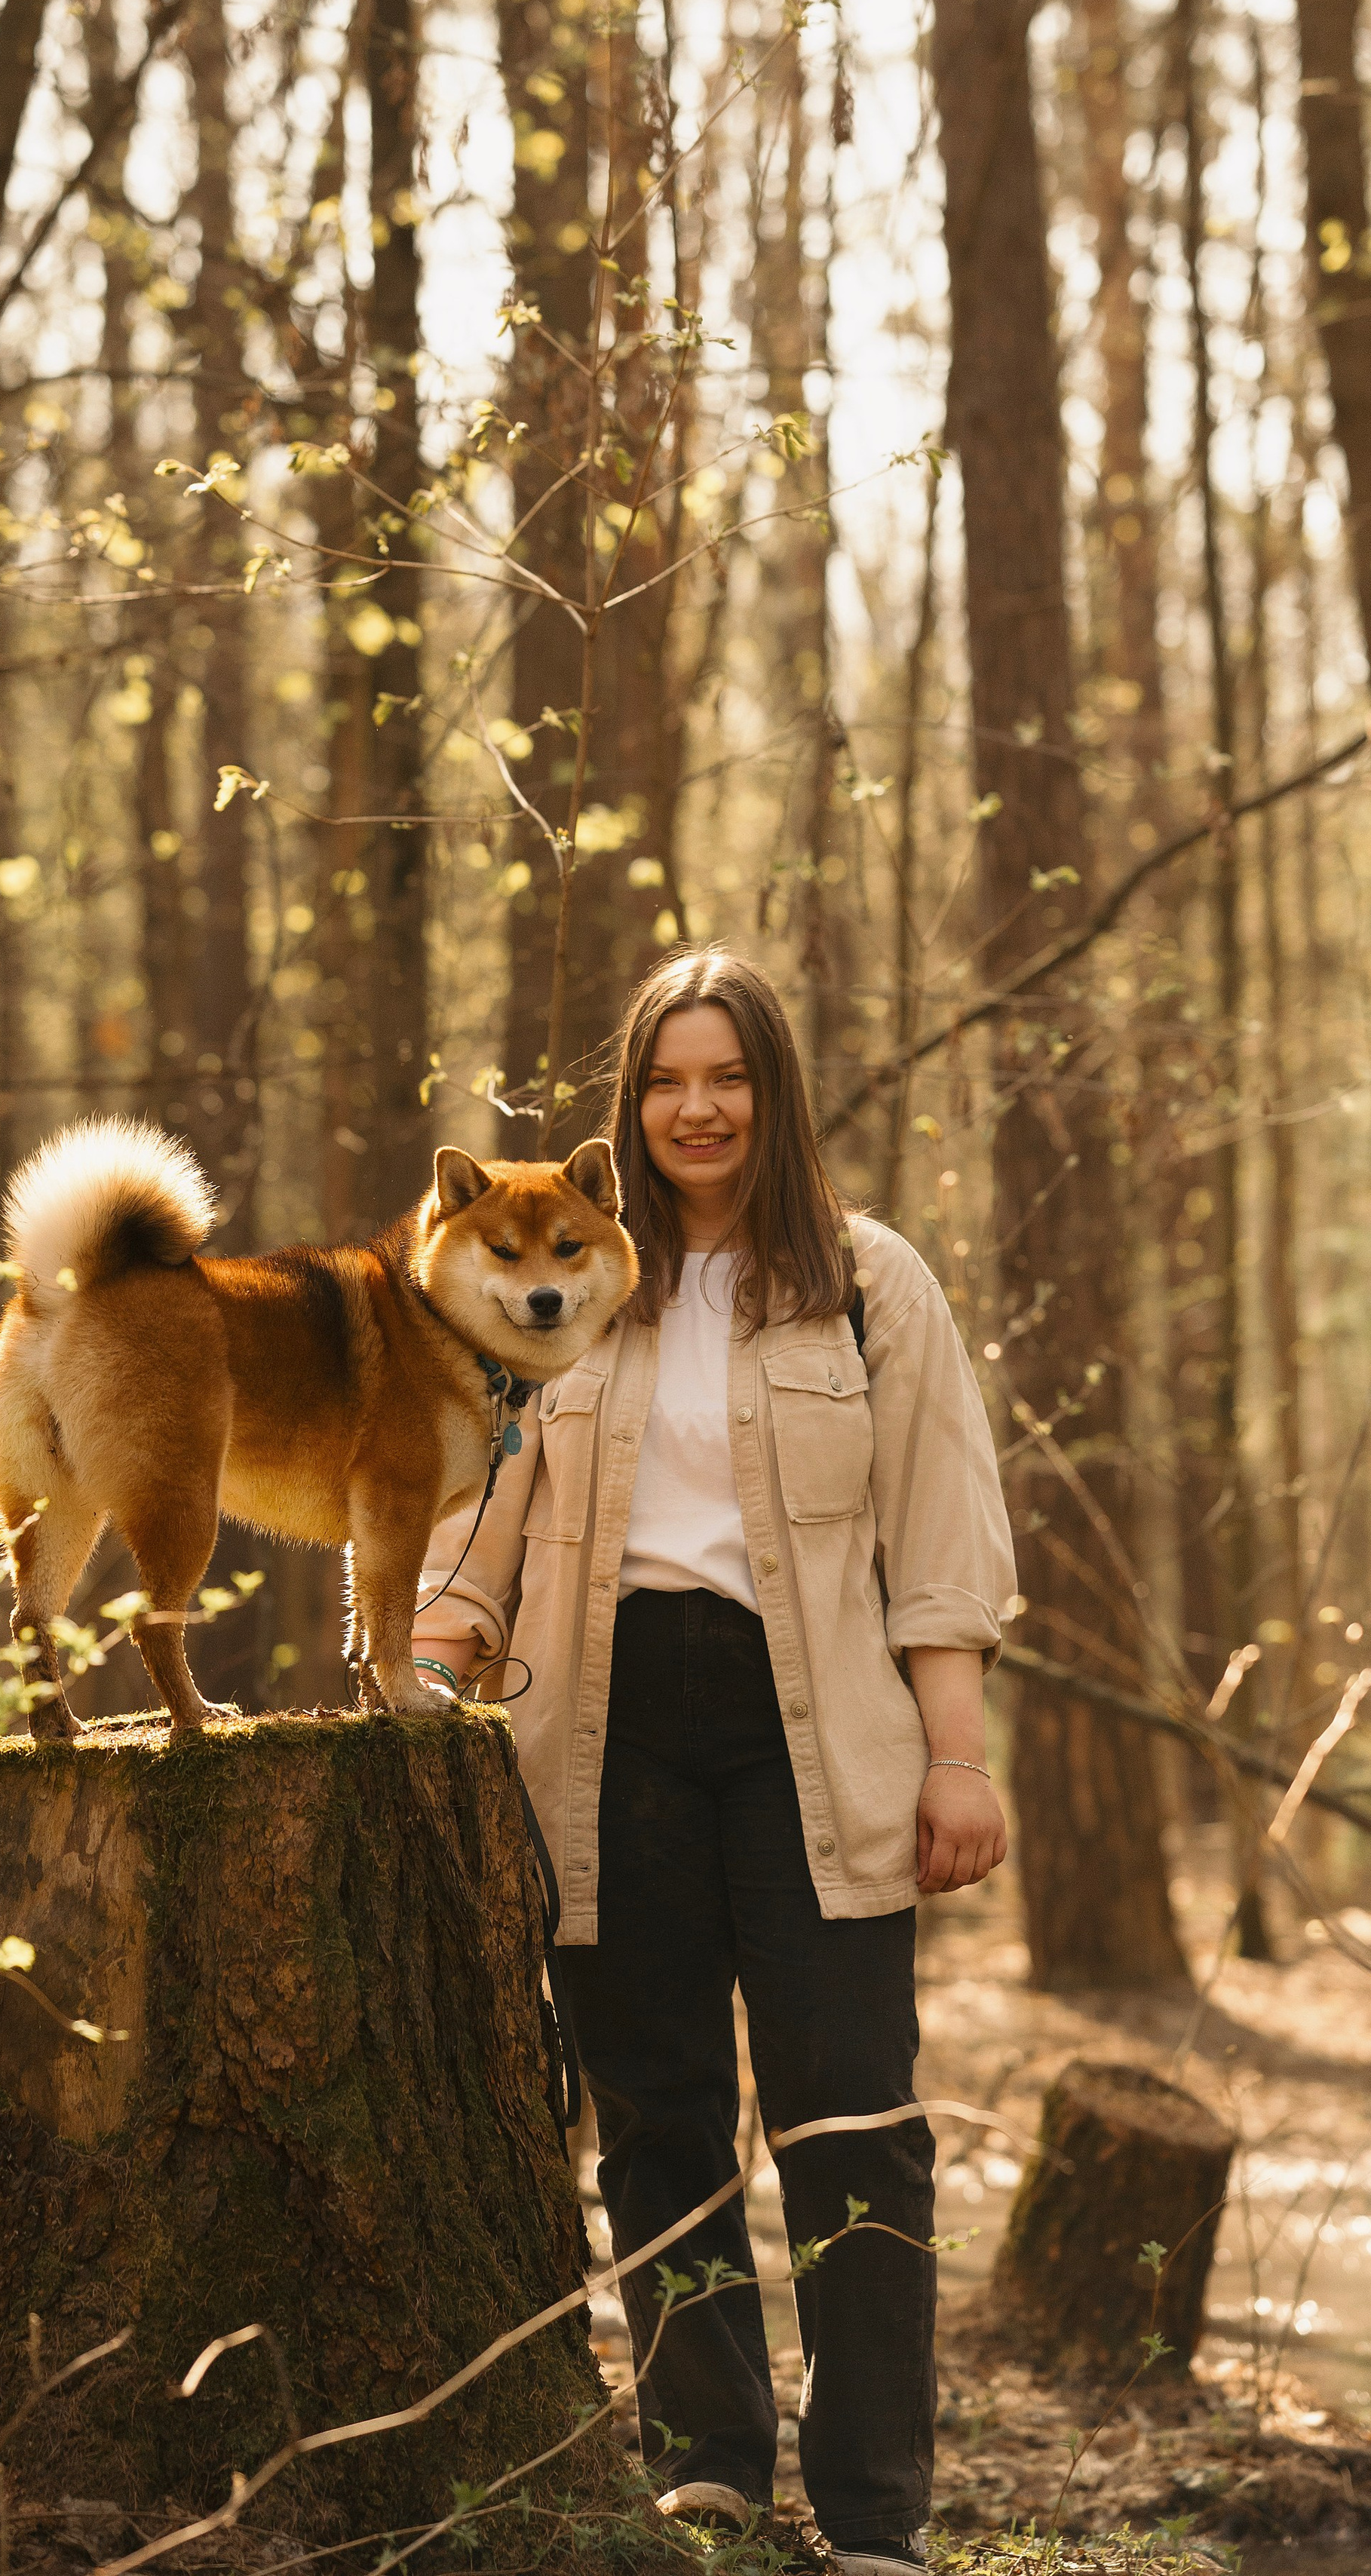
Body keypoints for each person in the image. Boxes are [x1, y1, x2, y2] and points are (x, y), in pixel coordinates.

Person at [410, 949, 1014, 2573]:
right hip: (602, 1738)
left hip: (813, 1736)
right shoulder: (558, 1275)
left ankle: (877, 2507)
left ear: (773, 1095)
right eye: (668, 1079)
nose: (697, 1107)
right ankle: (706, 2469)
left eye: (726, 1077)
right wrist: (419, 1661)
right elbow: (479, 1516)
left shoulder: (870, 1283)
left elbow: (939, 1542)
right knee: (657, 2111)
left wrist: (955, 1760)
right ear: (632, 1100)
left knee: (847, 2115)